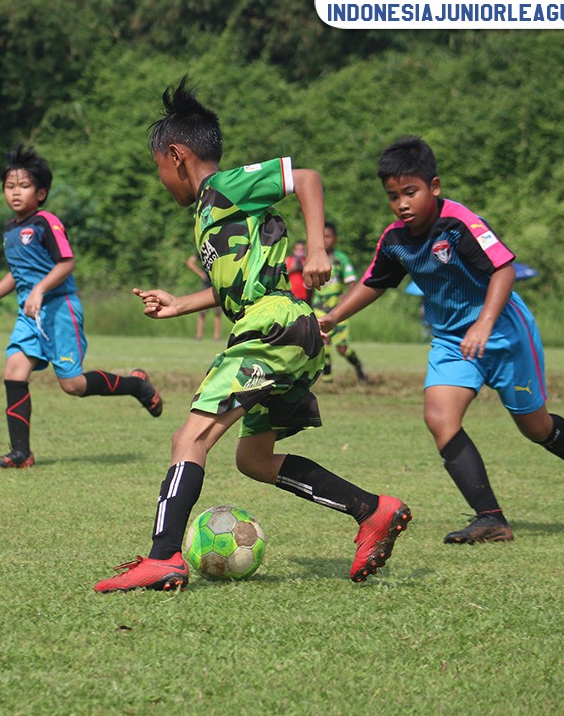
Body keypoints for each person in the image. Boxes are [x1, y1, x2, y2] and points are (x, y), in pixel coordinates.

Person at [93, 77, 411, 593]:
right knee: (254, 460)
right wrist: (180, 303)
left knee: (189, 437)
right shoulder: (210, 213)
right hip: (289, 329)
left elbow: (306, 178)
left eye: (158, 169)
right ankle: (372, 510)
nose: (161, 182)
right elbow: (237, 288)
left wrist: (317, 248)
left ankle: (163, 557)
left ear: (176, 155)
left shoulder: (225, 187)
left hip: (272, 328)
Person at [320, 136, 564, 545]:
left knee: (535, 427)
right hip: (453, 340)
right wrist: (332, 317)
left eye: (410, 192)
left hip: (504, 332)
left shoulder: (459, 223)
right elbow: (374, 282)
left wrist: (485, 323)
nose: (402, 203)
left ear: (434, 187)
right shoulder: (395, 239)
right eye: (393, 196)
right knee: (440, 418)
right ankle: (490, 519)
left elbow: (504, 270)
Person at [0, 145, 165, 469]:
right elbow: (18, 274)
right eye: (10, 186)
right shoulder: (10, 230)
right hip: (29, 313)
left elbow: (66, 263)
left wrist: (40, 290)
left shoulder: (46, 223)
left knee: (72, 385)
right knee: (14, 370)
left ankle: (136, 384)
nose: (16, 193)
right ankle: (21, 453)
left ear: (41, 193)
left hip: (59, 309)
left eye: (24, 186)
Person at [311, 221, 368, 383]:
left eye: (328, 236)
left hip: (338, 310)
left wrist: (347, 297)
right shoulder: (315, 258)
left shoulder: (340, 259)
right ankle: (328, 380)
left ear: (335, 239)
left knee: (342, 349)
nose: (325, 240)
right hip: (320, 307)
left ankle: (358, 367)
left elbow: (352, 283)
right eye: (322, 237)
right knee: (324, 340)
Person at [185, 254, 221, 340]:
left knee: (218, 313)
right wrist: (201, 273)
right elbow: (190, 262)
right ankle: (199, 335)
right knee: (202, 312)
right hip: (207, 285)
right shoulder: (203, 249)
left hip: (217, 284)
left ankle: (216, 336)